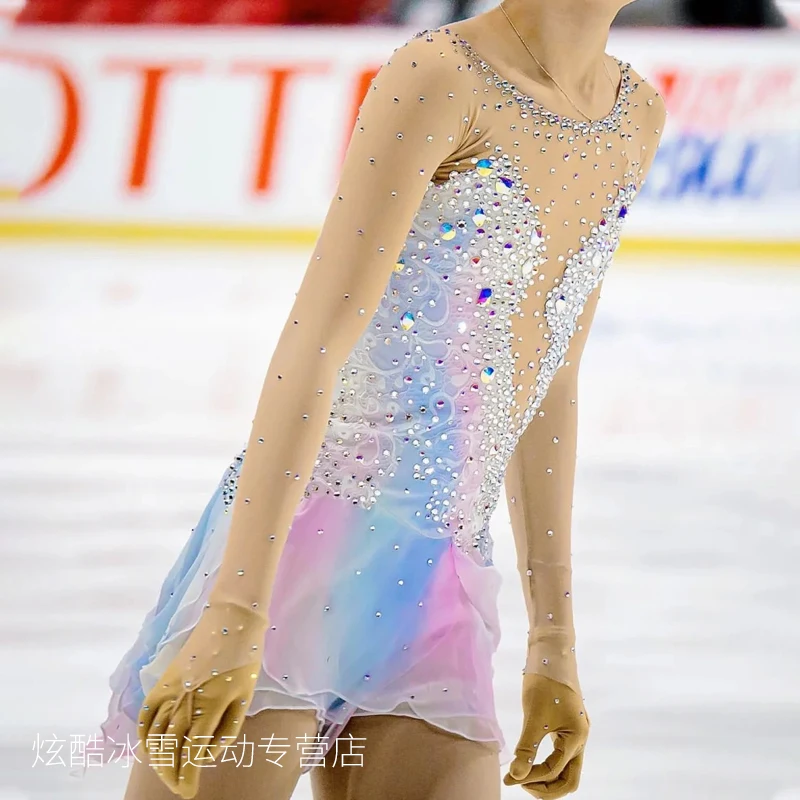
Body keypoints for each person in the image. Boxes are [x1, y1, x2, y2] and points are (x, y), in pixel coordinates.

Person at [100, 1, 667, 798]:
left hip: (438, 589)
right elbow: (316, 344)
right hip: (294, 560)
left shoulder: (634, 114)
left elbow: (550, 382)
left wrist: (553, 641)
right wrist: (234, 608)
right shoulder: (442, 76)